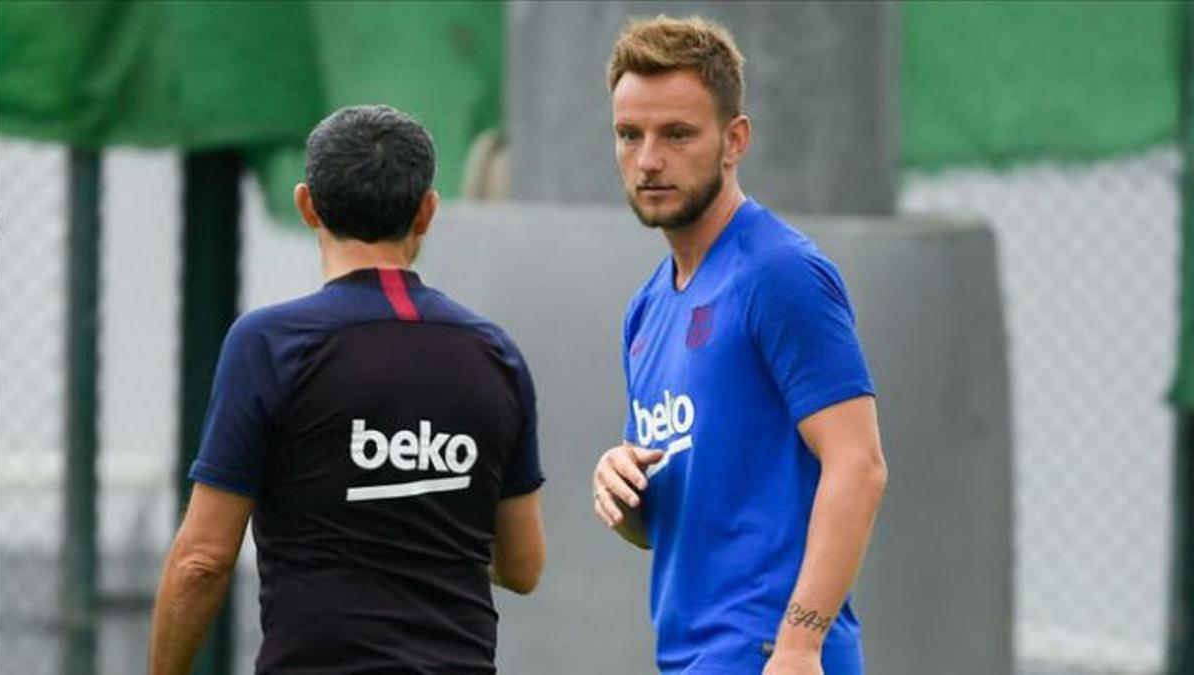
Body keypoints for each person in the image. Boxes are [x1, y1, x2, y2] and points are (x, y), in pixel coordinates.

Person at [149, 105, 546, 674]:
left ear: (307, 204)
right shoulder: (495, 354)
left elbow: (203, 561)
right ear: (426, 212)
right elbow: (523, 565)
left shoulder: (271, 343)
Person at [591, 16, 888, 675]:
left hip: (767, 654)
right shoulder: (646, 310)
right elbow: (673, 517)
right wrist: (626, 491)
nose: (648, 159)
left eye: (677, 134)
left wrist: (801, 642)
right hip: (692, 656)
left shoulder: (778, 272)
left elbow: (859, 463)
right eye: (629, 135)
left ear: (734, 140)